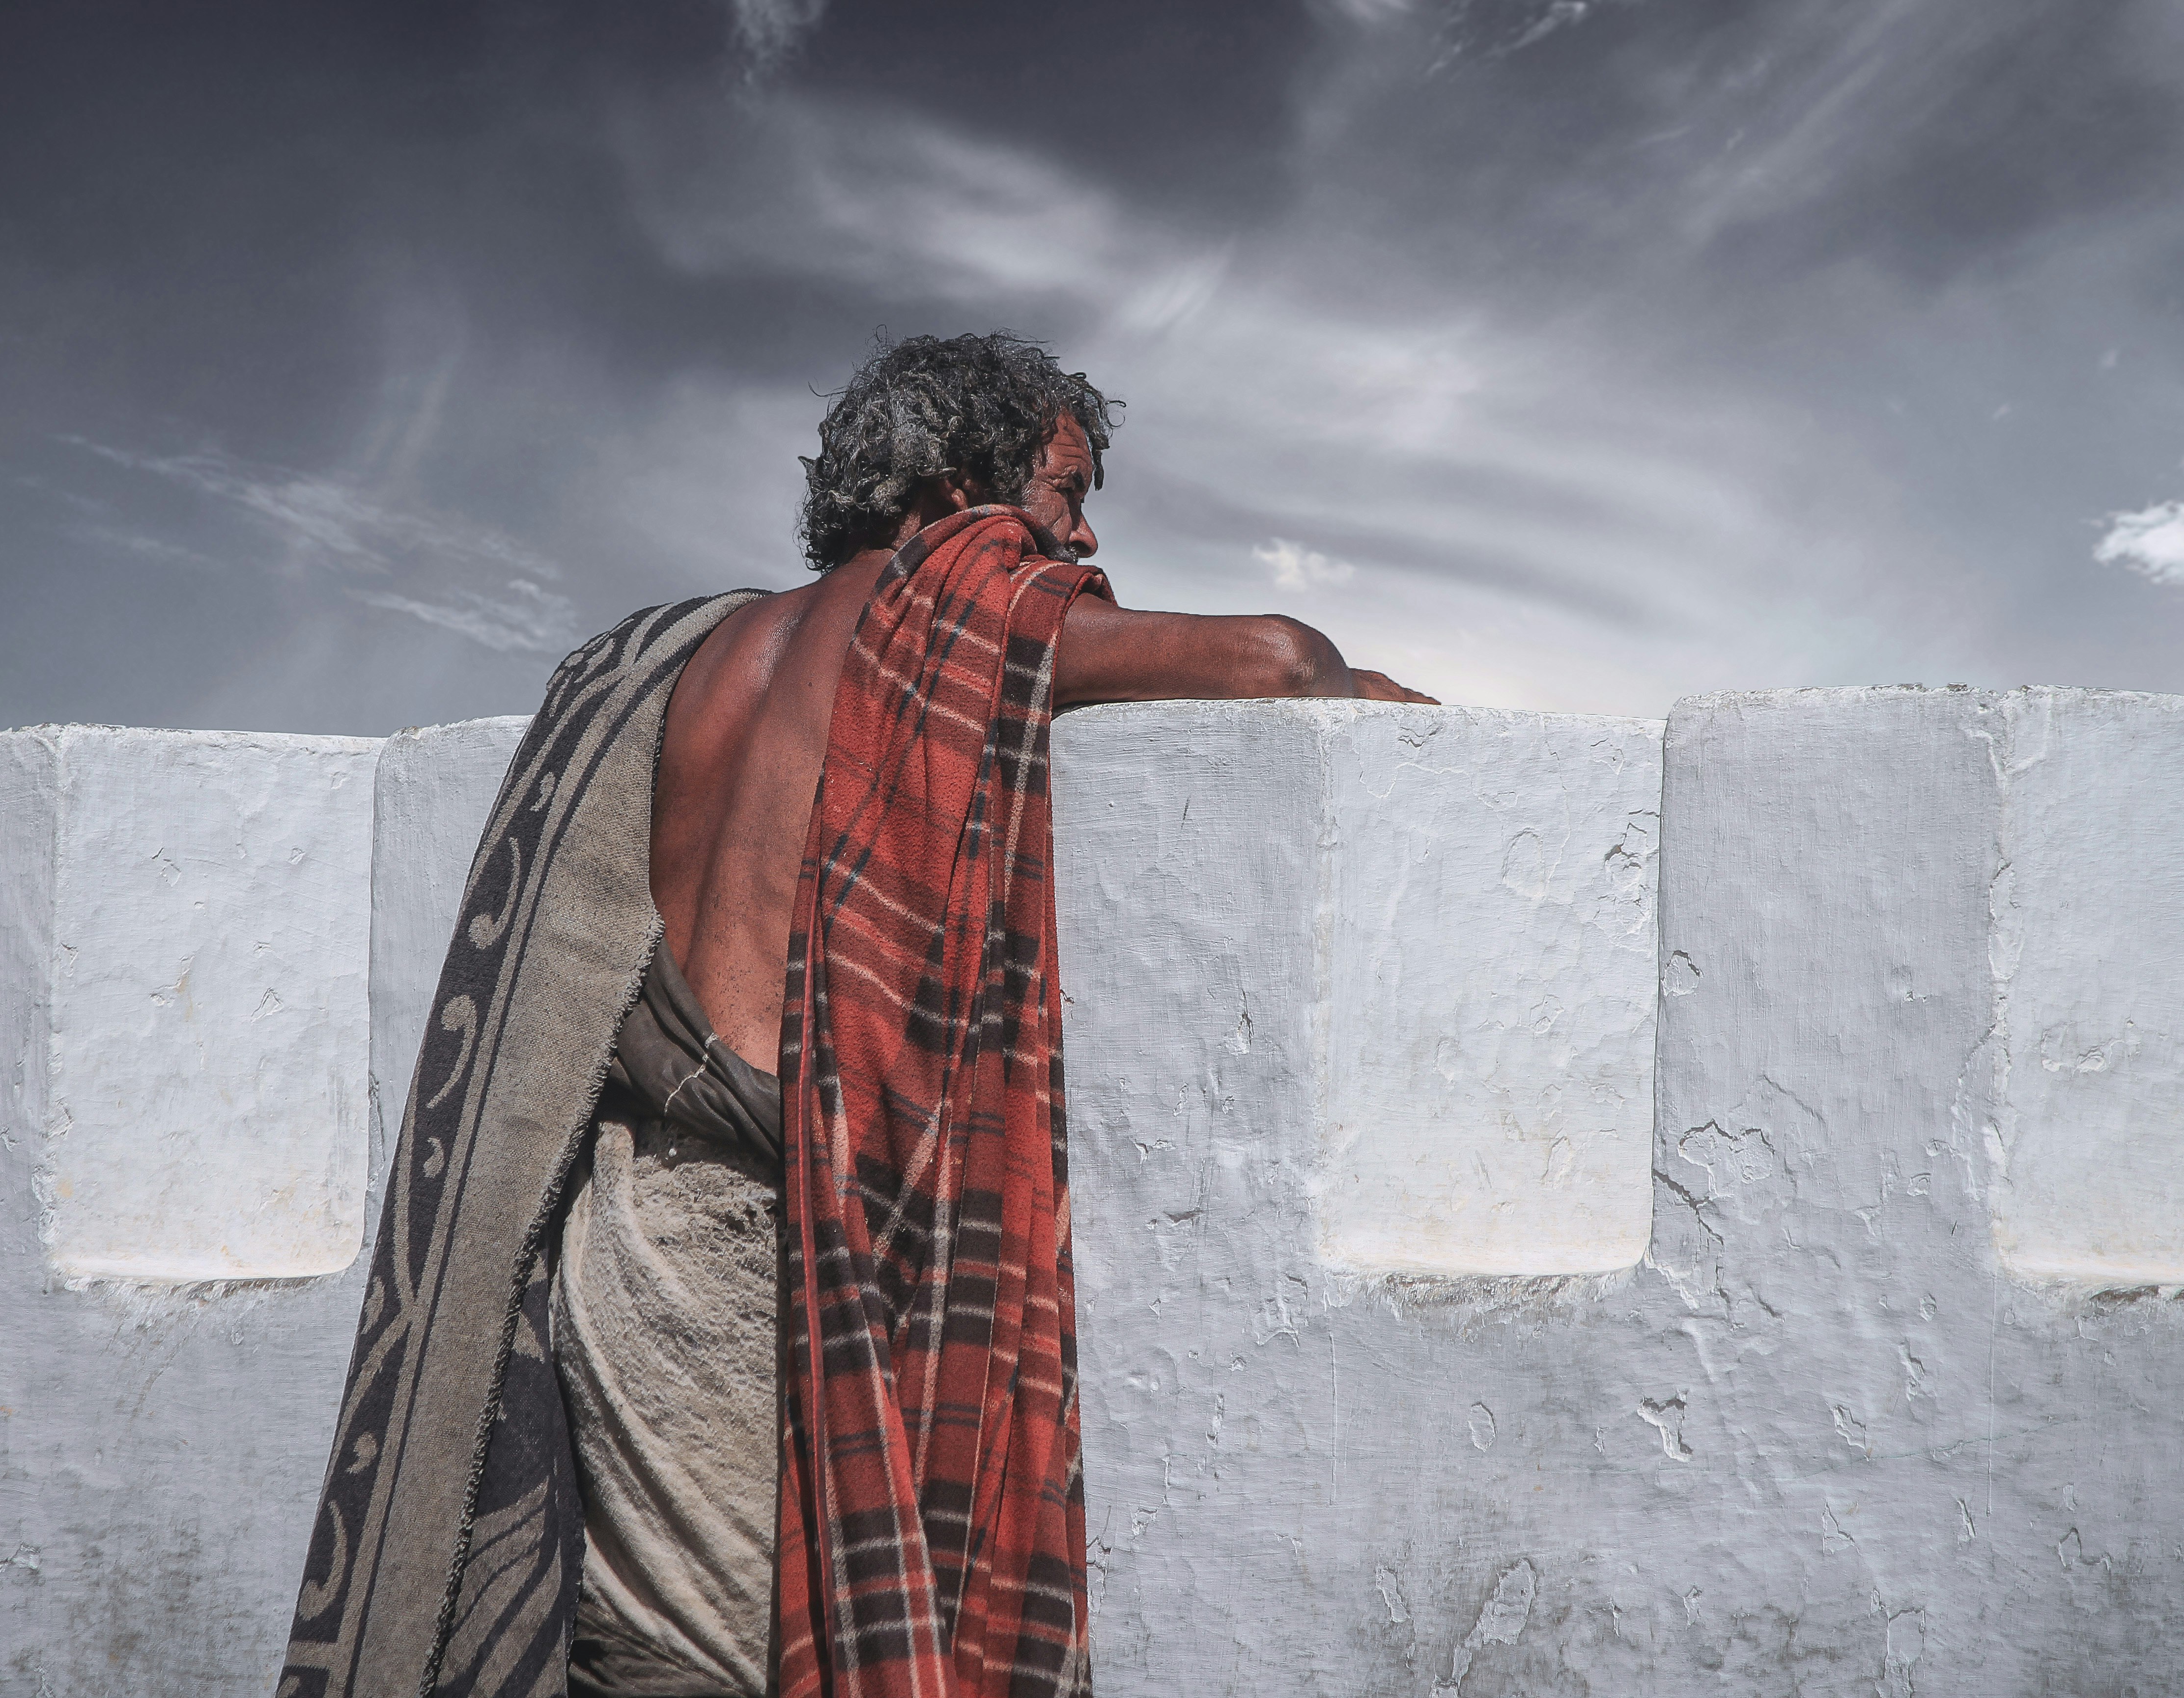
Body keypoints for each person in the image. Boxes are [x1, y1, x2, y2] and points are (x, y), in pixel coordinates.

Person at [279, 334, 1433, 1698]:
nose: (1079, 530)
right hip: (765, 1267)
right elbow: (1279, 660)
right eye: (1063, 490)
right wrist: (1350, 688)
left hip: (629, 1241)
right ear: (956, 484)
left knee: (648, 1662)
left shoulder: (678, 660)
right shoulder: (943, 609)